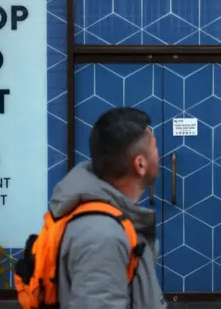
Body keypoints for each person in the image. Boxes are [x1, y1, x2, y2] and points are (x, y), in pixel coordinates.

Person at [50, 107, 165, 308]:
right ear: (140, 164)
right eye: (155, 147)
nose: (159, 154)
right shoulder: (101, 236)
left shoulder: (110, 222)